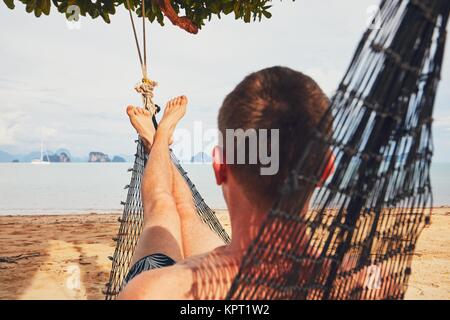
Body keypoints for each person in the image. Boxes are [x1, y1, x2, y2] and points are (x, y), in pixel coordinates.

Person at [118, 66, 331, 299]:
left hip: (206, 276)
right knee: (185, 211)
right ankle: (158, 141)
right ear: (325, 170)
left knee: (163, 206)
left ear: (219, 167)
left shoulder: (151, 293)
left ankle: (159, 139)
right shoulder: (363, 283)